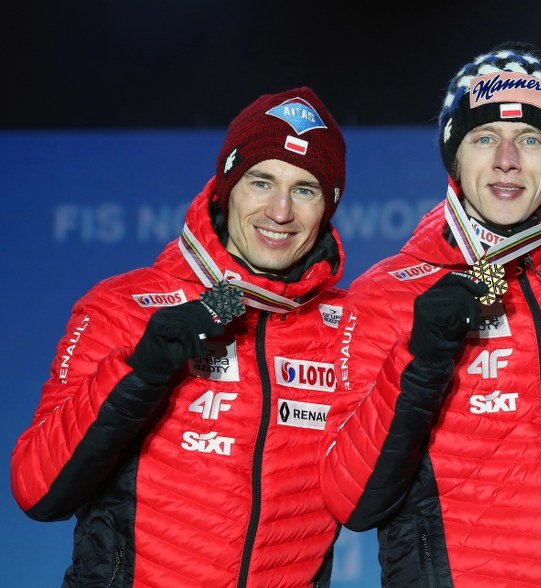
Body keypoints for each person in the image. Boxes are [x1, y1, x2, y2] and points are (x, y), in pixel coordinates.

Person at [320, 41, 541, 587]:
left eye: (530, 140)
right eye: (484, 138)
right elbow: (353, 501)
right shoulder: (386, 293)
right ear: (454, 158)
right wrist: (421, 359)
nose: (506, 160)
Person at [10, 87, 347, 587]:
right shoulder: (122, 305)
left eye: (305, 189)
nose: (280, 212)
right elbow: (38, 491)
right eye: (261, 181)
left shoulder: (348, 326)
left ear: (328, 206)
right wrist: (140, 373)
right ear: (226, 188)